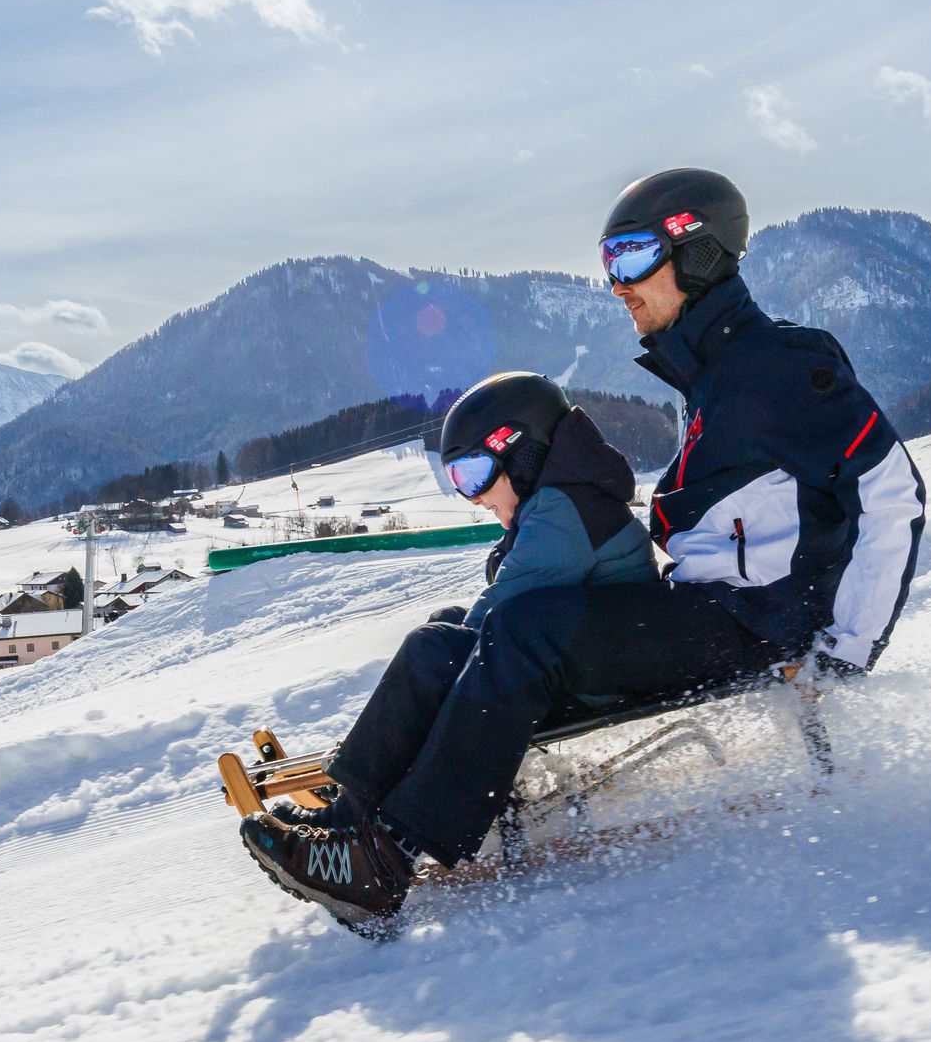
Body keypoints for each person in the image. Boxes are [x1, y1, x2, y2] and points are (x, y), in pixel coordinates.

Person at [241, 169, 927, 932]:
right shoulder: (714, 381)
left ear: (697, 252)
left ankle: (389, 859)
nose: (615, 285)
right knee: (443, 642)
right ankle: (345, 824)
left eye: (631, 259)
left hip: (758, 624)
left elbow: (892, 495)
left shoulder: (780, 365)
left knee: (528, 623)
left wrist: (845, 651)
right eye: (609, 265)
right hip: (699, 608)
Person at [243, 370, 659, 867]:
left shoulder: (563, 510)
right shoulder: (562, 499)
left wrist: (429, 688)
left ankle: (369, 836)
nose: (474, 496)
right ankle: (350, 814)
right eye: (459, 481)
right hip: (578, 657)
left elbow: (502, 609)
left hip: (594, 670)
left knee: (433, 648)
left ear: (521, 451)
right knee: (442, 629)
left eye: (475, 474)